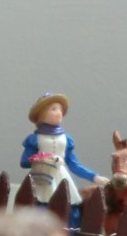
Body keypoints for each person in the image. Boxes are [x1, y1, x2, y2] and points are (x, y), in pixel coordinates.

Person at [21, 93, 108, 229]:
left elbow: (74, 165)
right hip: (41, 178)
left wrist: (94, 177)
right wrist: (43, 158)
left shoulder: (66, 139)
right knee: (41, 209)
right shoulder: (34, 139)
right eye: (54, 109)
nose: (59, 113)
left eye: (60, 110)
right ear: (42, 114)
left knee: (69, 211)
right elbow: (24, 162)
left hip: (61, 177)